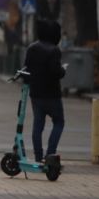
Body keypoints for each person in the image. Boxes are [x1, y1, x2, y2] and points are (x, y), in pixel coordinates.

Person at [23, 19, 67, 163]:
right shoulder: (54, 50)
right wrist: (63, 70)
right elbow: (55, 72)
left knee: (38, 125)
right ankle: (50, 155)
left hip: (35, 93)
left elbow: (26, 68)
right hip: (52, 94)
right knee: (59, 122)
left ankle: (37, 156)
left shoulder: (31, 48)